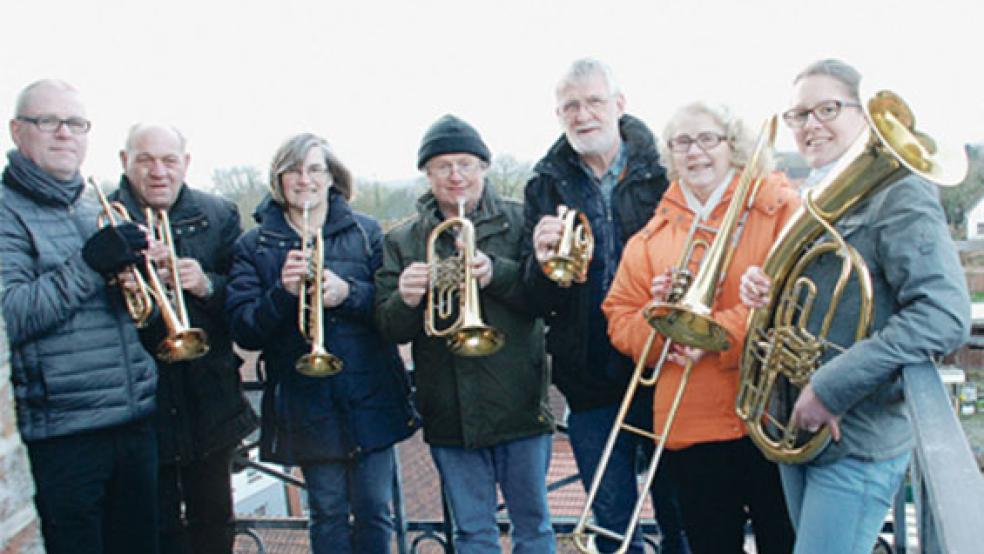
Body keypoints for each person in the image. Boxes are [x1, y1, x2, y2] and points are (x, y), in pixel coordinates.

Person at [739, 59, 971, 553]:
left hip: (855, 436)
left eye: (827, 108)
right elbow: (819, 291)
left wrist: (831, 385)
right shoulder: (814, 192)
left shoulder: (899, 194)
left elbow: (944, 314)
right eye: (799, 115)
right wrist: (765, 285)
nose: (810, 125)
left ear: (864, 115)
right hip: (800, 430)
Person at [602, 101, 798, 554]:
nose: (696, 152)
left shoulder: (777, 209)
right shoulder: (653, 235)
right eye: (682, 142)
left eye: (709, 138)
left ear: (734, 146)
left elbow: (792, 301)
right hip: (691, 423)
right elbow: (620, 316)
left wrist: (710, 336)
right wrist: (662, 327)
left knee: (783, 541)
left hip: (769, 418)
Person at [520, 58, 687, 553]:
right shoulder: (543, 185)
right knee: (614, 526)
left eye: (593, 101)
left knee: (683, 518)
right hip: (590, 377)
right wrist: (543, 259)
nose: (582, 114)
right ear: (559, 114)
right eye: (570, 106)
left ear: (619, 104)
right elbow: (537, 298)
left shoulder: (665, 172)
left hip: (665, 369)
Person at [226, 133, 419, 554]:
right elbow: (244, 330)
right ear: (278, 180)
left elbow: (391, 311)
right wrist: (282, 293)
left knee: (374, 509)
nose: (304, 179)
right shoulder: (254, 244)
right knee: (328, 512)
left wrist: (347, 293)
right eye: (293, 170)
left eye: (315, 169)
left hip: (369, 392)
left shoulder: (366, 232)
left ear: (332, 177)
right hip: (305, 399)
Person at [375, 114, 555, 554]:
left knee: (534, 528)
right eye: (442, 166)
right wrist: (407, 298)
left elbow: (546, 301)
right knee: (472, 534)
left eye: (466, 164)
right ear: (427, 174)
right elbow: (388, 327)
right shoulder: (403, 239)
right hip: (449, 412)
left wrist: (498, 273)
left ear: (484, 168)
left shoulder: (520, 220)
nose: (456, 176)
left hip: (519, 404)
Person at [0, 79, 159, 553]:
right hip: (65, 434)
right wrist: (91, 264)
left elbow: (124, 311)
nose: (64, 133)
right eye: (48, 121)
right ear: (16, 131)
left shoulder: (95, 205)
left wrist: (146, 281)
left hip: (132, 419)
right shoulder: (6, 213)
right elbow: (10, 315)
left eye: (76, 123)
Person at [108, 123, 257, 554]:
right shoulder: (106, 219)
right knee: (156, 530)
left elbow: (245, 304)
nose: (159, 171)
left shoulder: (219, 214)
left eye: (169, 160)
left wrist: (205, 284)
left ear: (185, 163)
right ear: (125, 162)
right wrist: (126, 281)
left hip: (208, 404)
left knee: (215, 523)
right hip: (141, 406)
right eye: (145, 160)